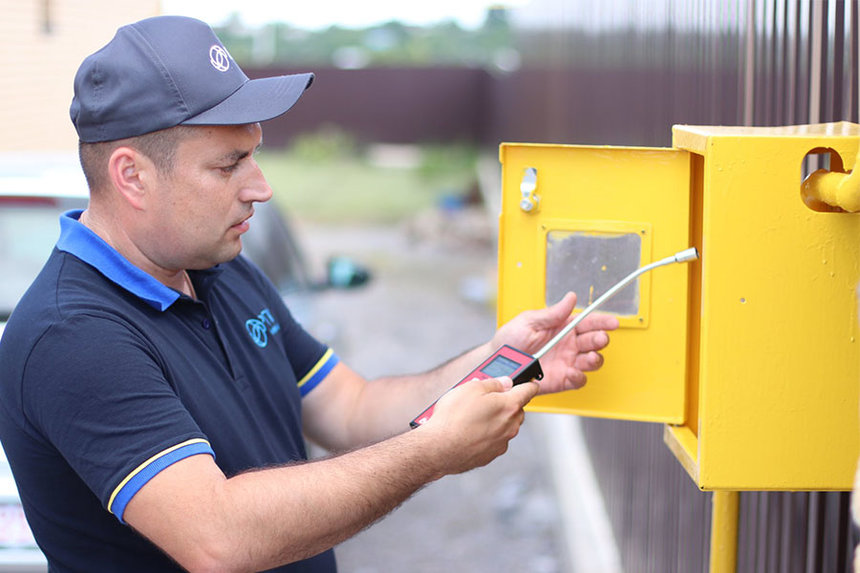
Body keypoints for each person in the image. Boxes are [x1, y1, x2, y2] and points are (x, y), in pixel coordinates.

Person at [0, 15, 619, 573]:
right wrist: (434, 451)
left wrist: (494, 362)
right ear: (131, 175)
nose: (260, 188)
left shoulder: (218, 269)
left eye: (256, 156)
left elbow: (348, 408)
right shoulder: (73, 333)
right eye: (228, 164)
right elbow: (218, 538)